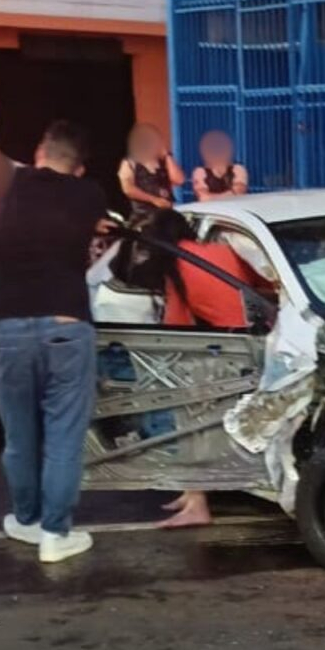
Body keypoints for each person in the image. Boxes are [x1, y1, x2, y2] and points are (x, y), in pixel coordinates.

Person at [0, 122, 112, 564]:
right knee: (63, 436)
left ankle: (26, 519)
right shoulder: (89, 194)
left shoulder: (6, 184)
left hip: (8, 327)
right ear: (78, 168)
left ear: (40, 152)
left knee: (20, 436)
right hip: (66, 322)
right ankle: (56, 534)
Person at [135, 209, 268, 528]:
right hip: (257, 343)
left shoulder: (175, 263)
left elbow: (177, 324)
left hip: (222, 348)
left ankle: (197, 504)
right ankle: (190, 492)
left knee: (191, 422)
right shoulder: (220, 251)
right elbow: (257, 285)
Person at [118, 123, 183, 220]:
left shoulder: (164, 162)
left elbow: (179, 180)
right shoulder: (129, 162)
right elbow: (128, 189)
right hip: (143, 216)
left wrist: (167, 156)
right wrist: (153, 200)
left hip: (167, 215)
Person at [191, 130, 248, 202]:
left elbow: (239, 192)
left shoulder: (238, 169)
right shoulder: (200, 171)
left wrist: (211, 197)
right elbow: (203, 197)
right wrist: (229, 195)